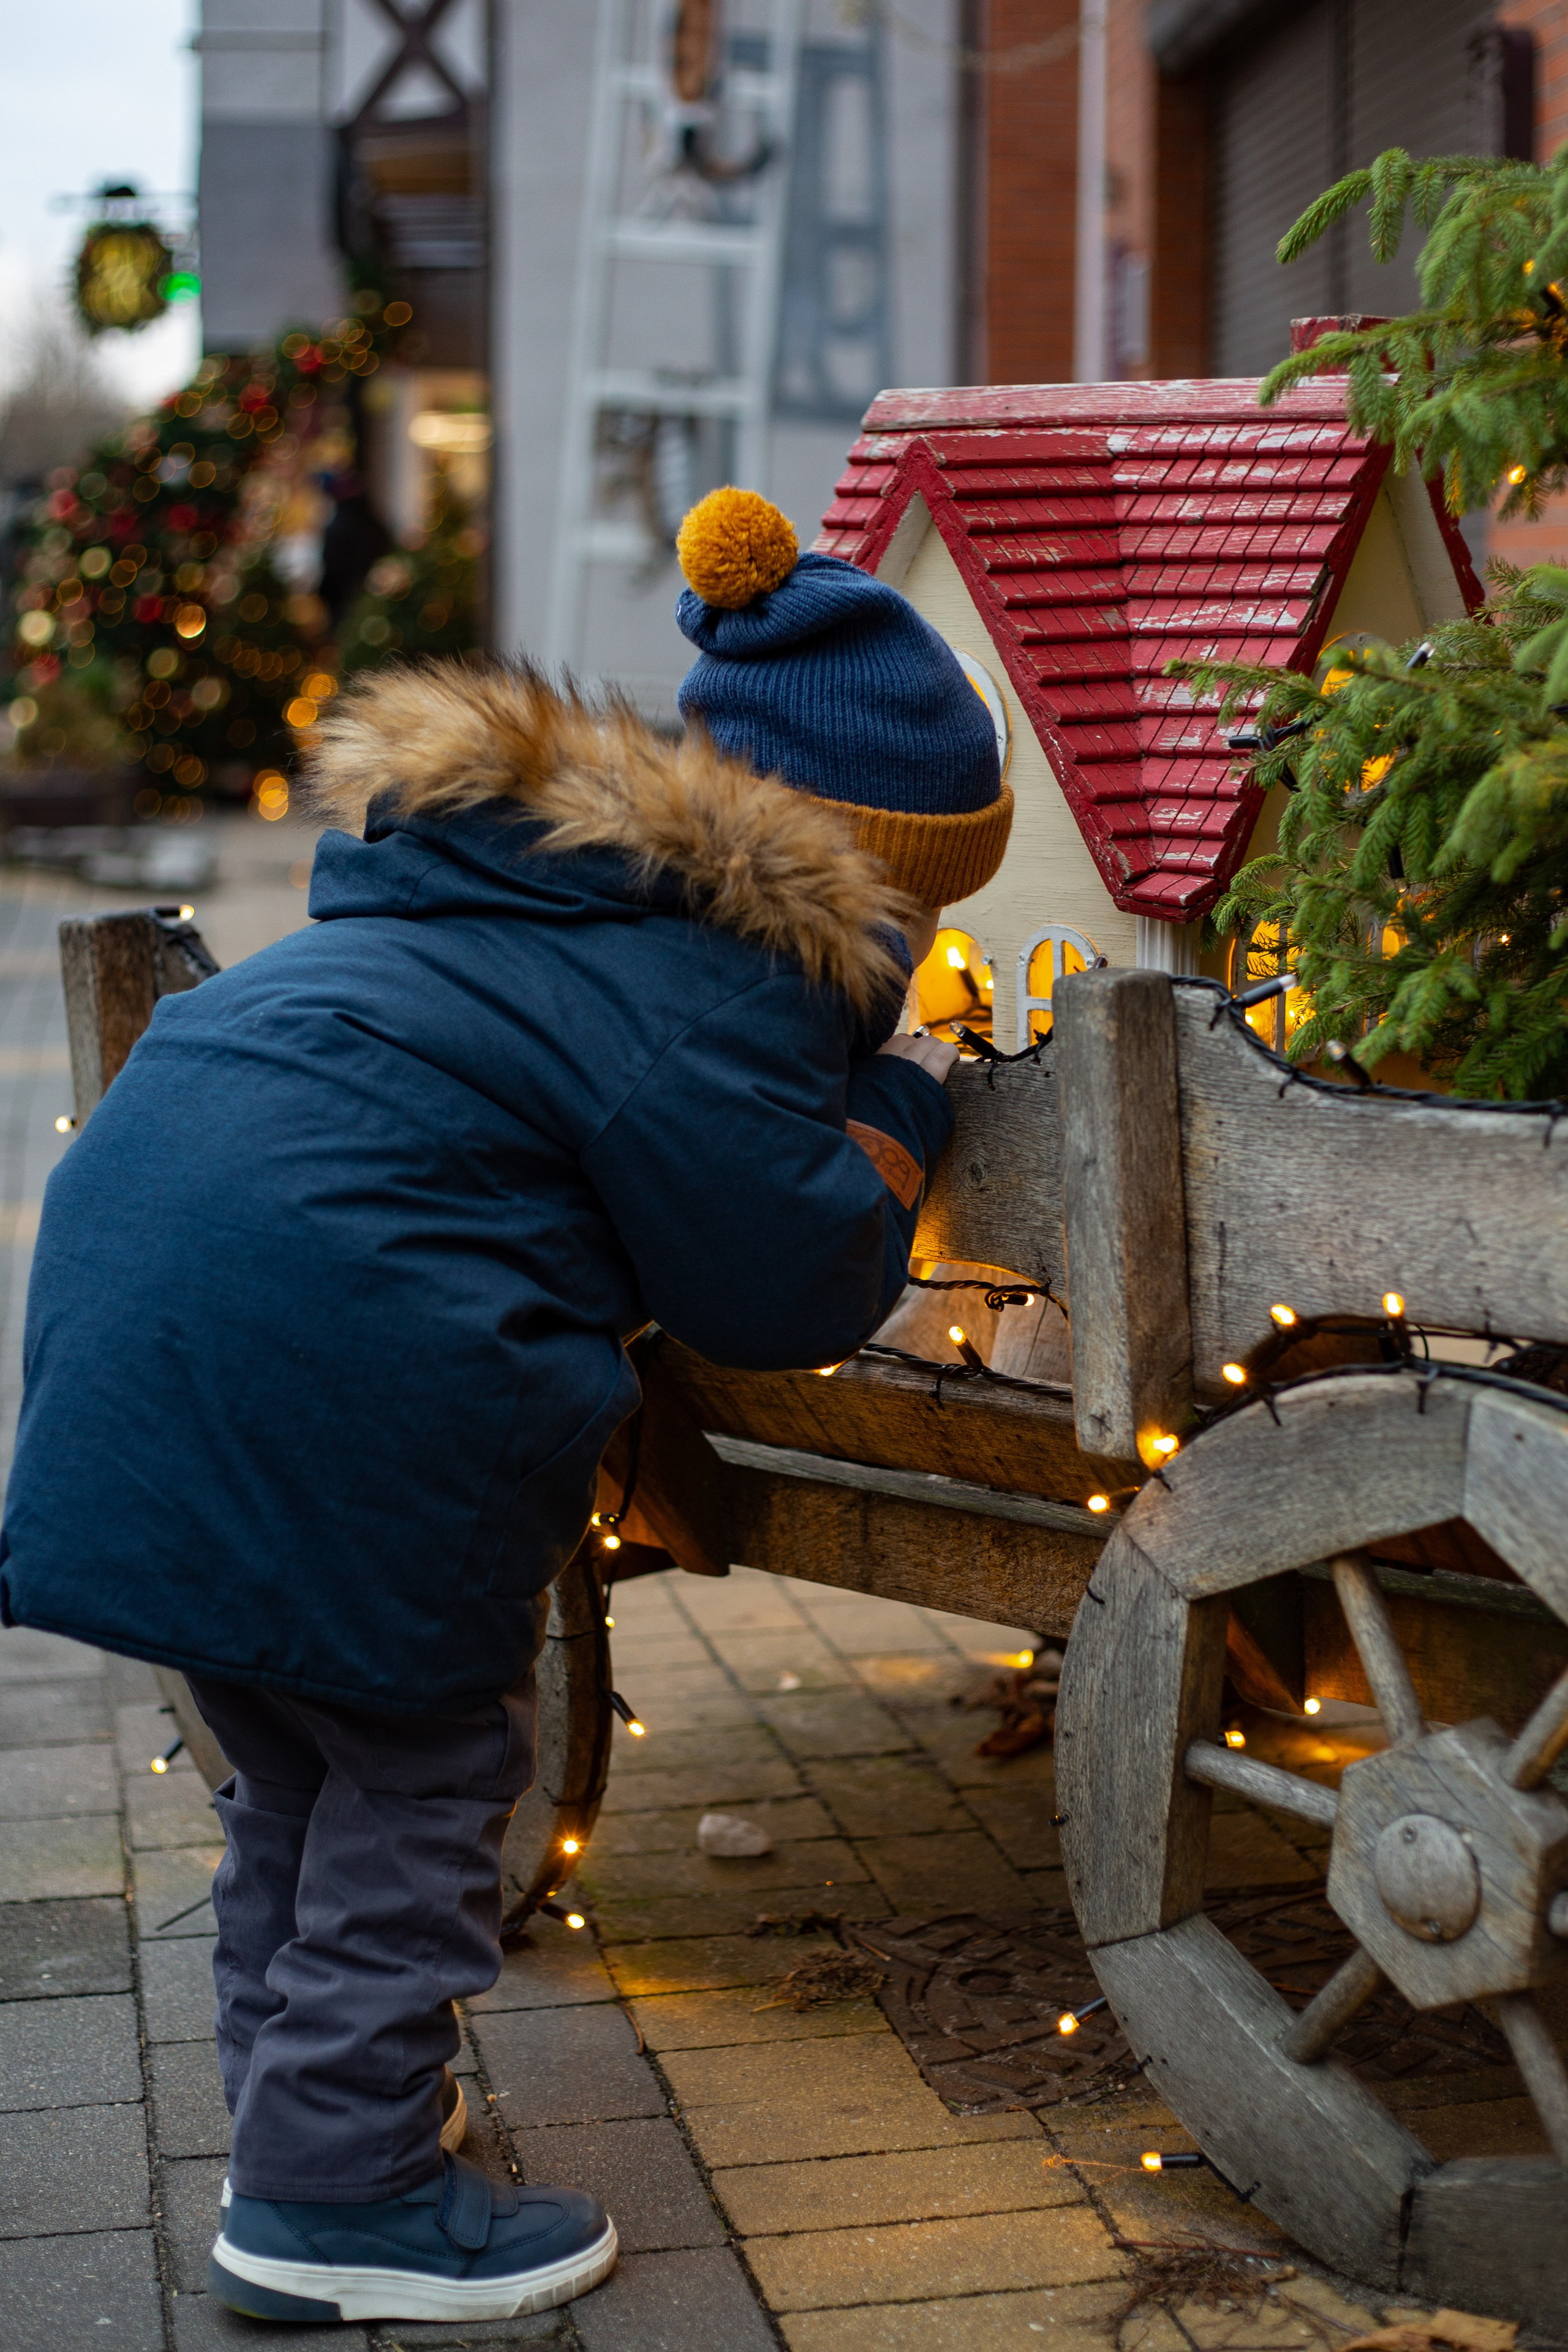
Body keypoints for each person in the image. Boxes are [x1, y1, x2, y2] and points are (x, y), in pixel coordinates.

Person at [0, 488, 1012, 2326]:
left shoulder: (515, 892)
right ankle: (346, 2200)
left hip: (135, 1338)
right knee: (430, 1774)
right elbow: (782, 1290)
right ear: (860, 866)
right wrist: (908, 1106)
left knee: (303, 1777)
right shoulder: (717, 979)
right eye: (919, 902)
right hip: (345, 1375)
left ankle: (300, 2130)